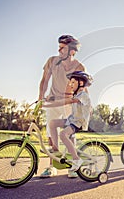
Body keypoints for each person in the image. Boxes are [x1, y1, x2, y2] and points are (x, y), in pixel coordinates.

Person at [38, 35, 85, 178]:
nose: (59, 50)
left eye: (62, 48)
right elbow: (44, 80)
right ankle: (52, 166)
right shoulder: (52, 61)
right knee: (51, 134)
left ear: (72, 51)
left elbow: (82, 88)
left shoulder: (79, 67)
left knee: (69, 134)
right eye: (59, 47)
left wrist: (85, 105)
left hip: (69, 102)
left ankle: (72, 166)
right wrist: (40, 97)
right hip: (53, 101)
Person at [43, 71, 92, 171]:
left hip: (78, 123)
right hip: (71, 120)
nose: (70, 84)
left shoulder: (83, 96)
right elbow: (64, 98)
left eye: (73, 82)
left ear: (81, 83)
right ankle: (55, 149)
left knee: (63, 134)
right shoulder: (76, 96)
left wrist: (46, 105)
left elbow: (65, 101)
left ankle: (76, 159)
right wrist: (46, 99)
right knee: (52, 123)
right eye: (70, 82)